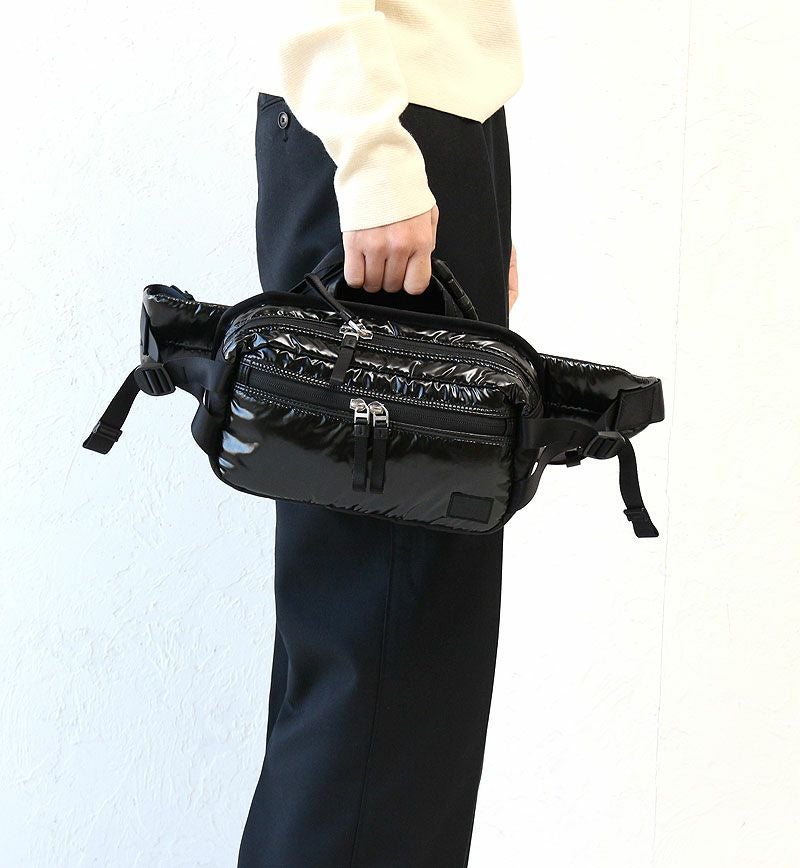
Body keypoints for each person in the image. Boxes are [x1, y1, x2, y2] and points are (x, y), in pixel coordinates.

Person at [238, 3, 524, 865]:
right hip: (384, 137)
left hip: (431, 139)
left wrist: (476, 196)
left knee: (412, 671)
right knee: (378, 666)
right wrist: (376, 160)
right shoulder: (379, 151)